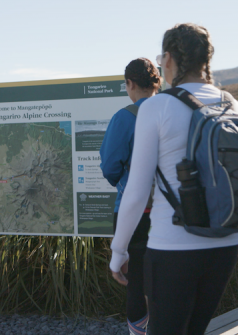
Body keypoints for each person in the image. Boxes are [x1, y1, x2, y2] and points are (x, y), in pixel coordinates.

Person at [109, 24, 238, 335]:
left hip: (173, 249)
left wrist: (119, 251)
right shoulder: (232, 105)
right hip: (224, 248)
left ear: (168, 59)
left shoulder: (157, 107)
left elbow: (137, 191)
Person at [100, 57, 160, 335]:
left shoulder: (125, 117)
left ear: (131, 84)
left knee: (135, 283)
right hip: (169, 212)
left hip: (132, 212)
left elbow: (110, 165)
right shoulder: (172, 112)